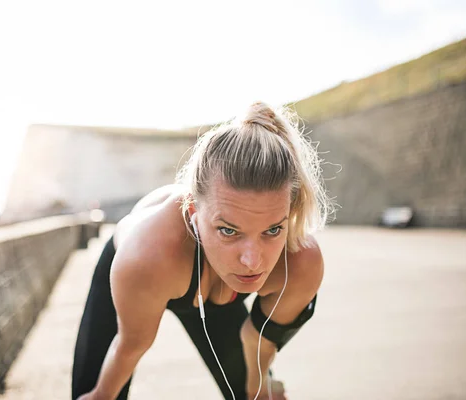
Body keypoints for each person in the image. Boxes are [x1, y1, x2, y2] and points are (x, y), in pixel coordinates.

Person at [72, 102, 333, 400]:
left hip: (215, 285)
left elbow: (258, 340)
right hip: (142, 274)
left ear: (290, 211)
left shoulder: (301, 263)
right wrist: (100, 394)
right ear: (194, 214)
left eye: (272, 230)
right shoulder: (148, 256)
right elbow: (131, 345)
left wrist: (257, 388)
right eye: (229, 230)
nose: (252, 261)